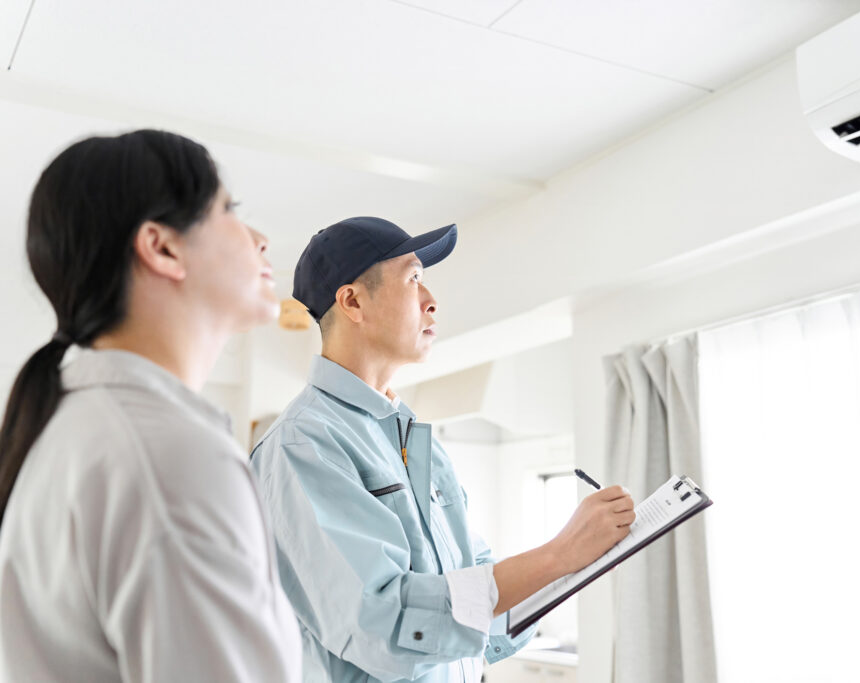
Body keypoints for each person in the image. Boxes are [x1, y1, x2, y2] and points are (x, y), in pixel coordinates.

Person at [250, 216, 636, 682]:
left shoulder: (413, 439)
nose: (432, 303)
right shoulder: (303, 443)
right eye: (413, 280)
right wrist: (558, 555)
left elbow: (485, 619)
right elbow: (385, 625)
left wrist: (576, 560)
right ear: (352, 300)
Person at [0, 130, 301, 682]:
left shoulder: (72, 428)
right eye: (228, 209)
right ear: (162, 247)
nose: (258, 239)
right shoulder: (169, 457)